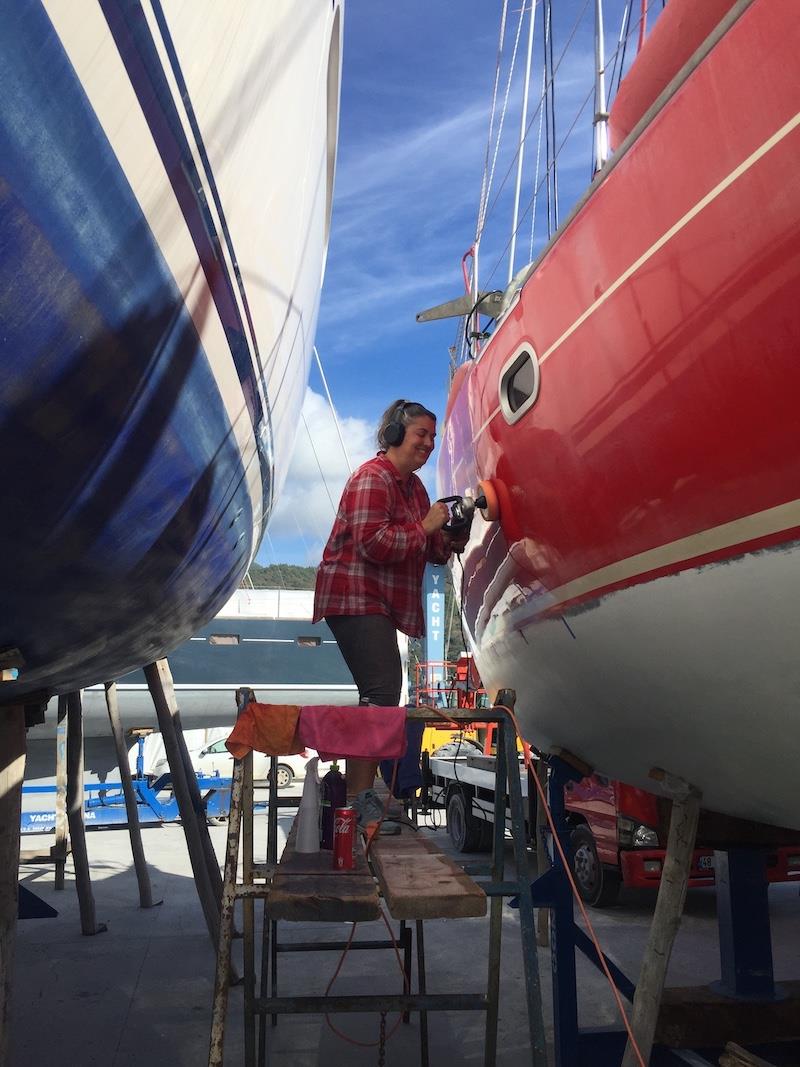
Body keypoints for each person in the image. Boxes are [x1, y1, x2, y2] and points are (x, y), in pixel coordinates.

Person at [313, 399, 467, 805]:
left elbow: (429, 549)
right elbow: (374, 544)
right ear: (395, 434)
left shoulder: (415, 488)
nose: (430, 444)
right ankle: (359, 796)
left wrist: (449, 538)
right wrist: (426, 526)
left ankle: (360, 792)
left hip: (377, 599)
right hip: (353, 594)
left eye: (433, 437)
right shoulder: (372, 478)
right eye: (422, 434)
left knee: (380, 692)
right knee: (381, 692)